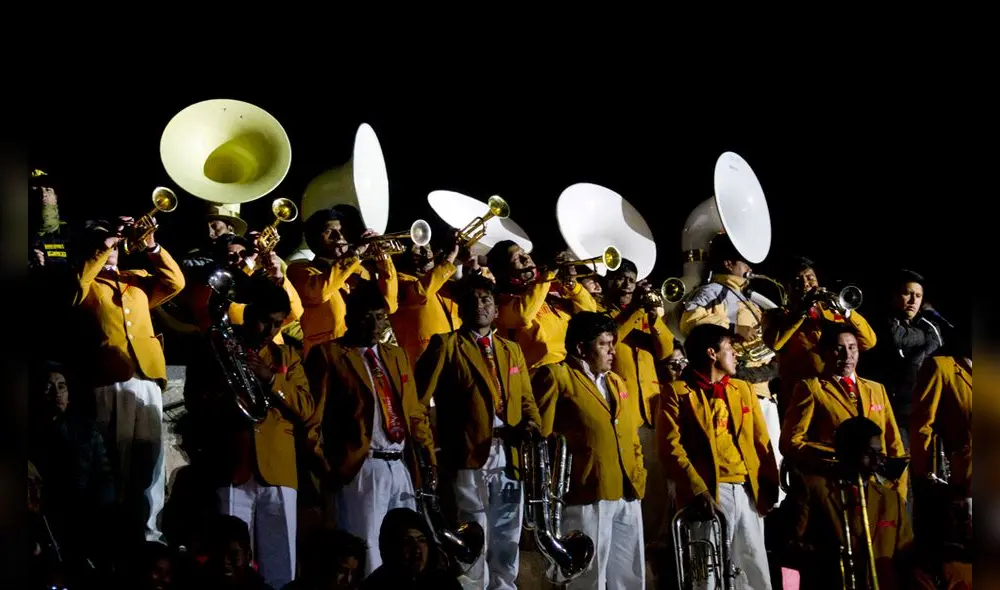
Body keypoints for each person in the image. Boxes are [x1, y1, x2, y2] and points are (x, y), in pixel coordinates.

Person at [183, 278, 314, 590]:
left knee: (282, 565)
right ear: (249, 314)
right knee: (227, 565)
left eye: (277, 324)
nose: (270, 331)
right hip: (232, 466)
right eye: (264, 322)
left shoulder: (288, 356)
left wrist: (271, 379)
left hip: (278, 470)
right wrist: (224, 393)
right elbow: (194, 401)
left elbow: (308, 408)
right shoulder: (217, 348)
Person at [416, 274, 541, 589]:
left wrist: (532, 425)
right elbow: (417, 402)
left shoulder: (511, 349)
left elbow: (527, 400)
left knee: (507, 532)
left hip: (509, 454)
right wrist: (429, 448)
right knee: (473, 531)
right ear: (460, 308)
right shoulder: (446, 344)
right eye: (471, 300)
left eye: (486, 299)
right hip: (468, 453)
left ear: (497, 309)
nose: (479, 305)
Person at [304, 283, 436, 576]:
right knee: (367, 549)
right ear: (350, 318)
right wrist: (327, 468)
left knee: (406, 549)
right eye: (368, 318)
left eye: (380, 317)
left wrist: (428, 458)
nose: (376, 326)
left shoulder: (396, 355)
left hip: (400, 465)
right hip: (361, 466)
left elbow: (414, 413)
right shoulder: (329, 354)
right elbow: (312, 419)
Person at [73, 216, 185, 544]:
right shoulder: (86, 279)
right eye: (102, 240)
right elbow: (75, 291)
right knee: (116, 458)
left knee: (151, 459)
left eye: (113, 242)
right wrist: (102, 246)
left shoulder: (136, 278)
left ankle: (151, 535)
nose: (111, 246)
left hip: (147, 377)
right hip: (111, 379)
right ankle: (115, 534)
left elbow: (175, 283)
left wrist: (151, 245)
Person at [658, 323, 779, 590]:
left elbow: (761, 442)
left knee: (754, 568)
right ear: (712, 353)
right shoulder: (677, 392)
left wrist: (769, 486)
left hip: (746, 490)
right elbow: (670, 448)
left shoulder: (742, 389)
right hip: (708, 493)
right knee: (707, 574)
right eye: (729, 348)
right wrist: (697, 489)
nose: (736, 354)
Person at [532, 311, 646, 588]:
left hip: (627, 490)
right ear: (581, 348)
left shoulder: (616, 381)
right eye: (604, 344)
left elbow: (631, 435)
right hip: (586, 492)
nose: (612, 351)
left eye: (612, 343)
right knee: (589, 578)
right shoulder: (557, 375)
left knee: (630, 576)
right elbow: (540, 439)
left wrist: (639, 473)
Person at [782, 417, 913, 590]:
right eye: (868, 453)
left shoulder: (890, 499)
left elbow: (906, 555)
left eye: (879, 453)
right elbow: (786, 545)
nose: (877, 461)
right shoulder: (812, 488)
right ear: (847, 452)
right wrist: (825, 556)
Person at [780, 324, 909, 499]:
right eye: (838, 349)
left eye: (852, 347)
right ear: (825, 353)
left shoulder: (877, 389)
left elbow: (894, 444)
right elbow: (791, 442)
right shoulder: (811, 388)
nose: (847, 355)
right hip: (835, 488)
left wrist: (898, 492)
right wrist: (836, 455)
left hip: (878, 488)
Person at [361, 508, 463, 589]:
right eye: (407, 542)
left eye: (421, 540)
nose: (417, 549)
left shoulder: (446, 583)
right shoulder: (374, 585)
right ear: (392, 548)